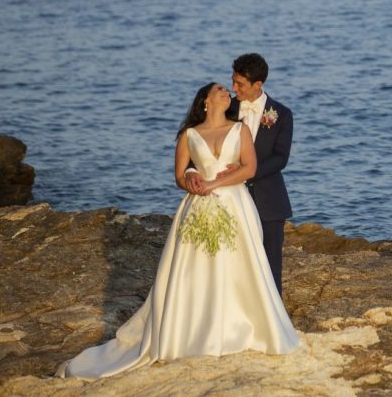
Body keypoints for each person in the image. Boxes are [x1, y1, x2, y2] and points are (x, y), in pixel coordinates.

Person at [57, 82, 299, 379]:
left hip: (236, 206)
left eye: (228, 88)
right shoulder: (189, 134)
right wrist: (193, 180)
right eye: (220, 90)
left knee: (239, 265)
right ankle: (194, 330)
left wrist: (212, 184)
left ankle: (243, 326)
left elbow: (248, 169)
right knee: (195, 269)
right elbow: (178, 175)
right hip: (197, 208)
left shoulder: (240, 130)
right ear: (206, 101)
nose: (227, 92)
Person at [188, 53, 293, 295]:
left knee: (271, 260)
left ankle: (274, 320)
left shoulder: (282, 114)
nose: (233, 89)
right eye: (232, 82)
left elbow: (280, 158)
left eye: (240, 84)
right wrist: (192, 171)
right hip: (227, 198)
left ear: (258, 84)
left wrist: (247, 171)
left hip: (269, 198)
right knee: (228, 258)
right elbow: (196, 142)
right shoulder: (225, 107)